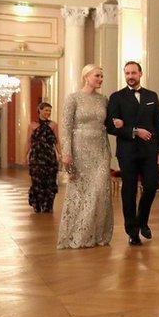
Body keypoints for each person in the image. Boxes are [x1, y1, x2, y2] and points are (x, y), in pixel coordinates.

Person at [105, 61, 159, 246]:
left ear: (140, 73)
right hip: (128, 152)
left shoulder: (151, 96)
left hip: (150, 151)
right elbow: (110, 126)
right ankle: (132, 231)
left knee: (151, 186)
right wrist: (133, 130)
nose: (130, 76)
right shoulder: (117, 97)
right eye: (127, 73)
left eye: (133, 72)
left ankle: (142, 220)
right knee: (129, 191)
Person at [57, 65, 114, 249]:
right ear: (86, 76)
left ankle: (97, 234)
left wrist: (117, 123)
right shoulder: (73, 98)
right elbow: (65, 127)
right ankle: (80, 235)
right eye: (97, 75)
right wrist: (66, 152)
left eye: (102, 76)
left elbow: (109, 124)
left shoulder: (104, 100)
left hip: (101, 150)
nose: (100, 79)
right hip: (80, 149)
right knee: (81, 193)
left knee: (99, 191)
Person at [26, 101, 60, 213]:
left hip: (49, 157)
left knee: (50, 181)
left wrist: (60, 154)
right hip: (36, 156)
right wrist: (25, 155)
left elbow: (57, 141)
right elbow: (28, 142)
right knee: (37, 181)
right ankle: (37, 204)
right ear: (39, 110)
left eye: (49, 110)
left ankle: (48, 205)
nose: (48, 112)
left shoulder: (54, 125)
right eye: (46, 110)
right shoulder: (32, 125)